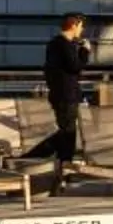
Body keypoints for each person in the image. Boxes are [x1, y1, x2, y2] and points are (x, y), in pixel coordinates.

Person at [32, 12, 91, 190]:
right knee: (67, 134)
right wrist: (85, 51)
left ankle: (57, 166)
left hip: (60, 94)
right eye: (81, 26)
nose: (82, 30)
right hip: (66, 95)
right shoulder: (64, 45)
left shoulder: (55, 44)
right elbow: (76, 67)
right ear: (74, 25)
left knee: (66, 132)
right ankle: (57, 165)